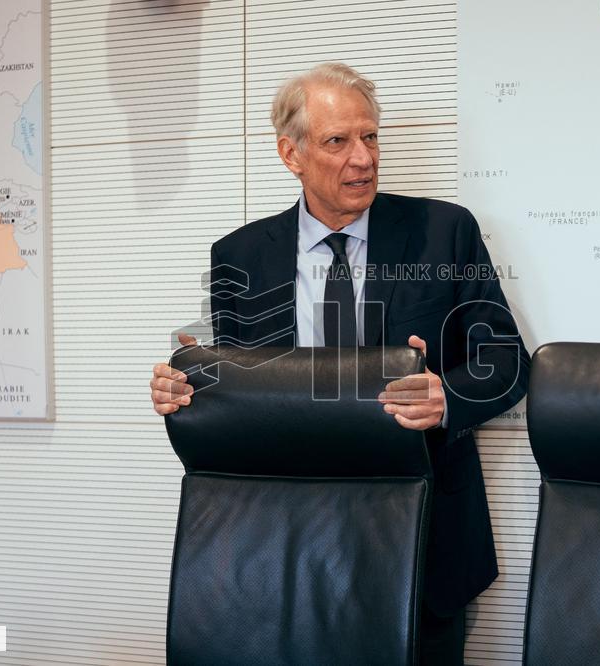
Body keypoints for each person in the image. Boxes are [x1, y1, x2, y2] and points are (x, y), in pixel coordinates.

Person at [150, 62, 530, 665]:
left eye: (370, 136)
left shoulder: (444, 232)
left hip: (426, 536)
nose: (363, 158)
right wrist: (188, 393)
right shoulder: (240, 256)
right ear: (291, 154)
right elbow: (245, 402)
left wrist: (446, 401)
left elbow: (507, 361)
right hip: (287, 544)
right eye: (338, 141)